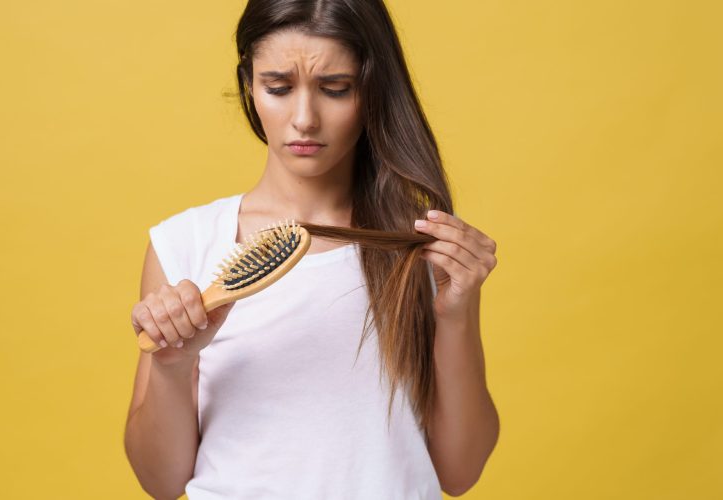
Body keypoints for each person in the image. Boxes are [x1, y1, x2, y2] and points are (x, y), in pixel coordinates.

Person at [124, 1, 500, 498]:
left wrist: (457, 312)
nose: (304, 119)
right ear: (248, 86)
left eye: (335, 89)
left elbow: (460, 472)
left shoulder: (421, 247)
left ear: (371, 90)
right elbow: (160, 482)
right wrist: (172, 368)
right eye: (278, 88)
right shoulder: (185, 244)